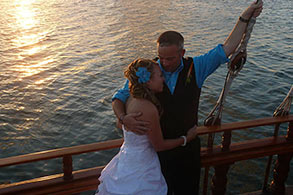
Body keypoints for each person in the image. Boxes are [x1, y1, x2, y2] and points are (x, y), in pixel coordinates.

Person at [112, 1, 263, 194]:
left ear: (182, 53)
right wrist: (123, 118)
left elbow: (228, 47)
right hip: (157, 152)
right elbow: (118, 98)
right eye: (161, 57)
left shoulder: (197, 67)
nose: (164, 63)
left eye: (170, 58)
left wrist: (244, 17)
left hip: (188, 150)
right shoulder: (148, 72)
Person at [96, 59, 198, 195]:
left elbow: (120, 125)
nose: (163, 79)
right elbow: (159, 145)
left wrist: (122, 119)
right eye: (160, 76)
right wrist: (186, 138)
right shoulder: (148, 108)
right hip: (142, 166)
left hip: (127, 158)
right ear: (148, 81)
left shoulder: (131, 99)